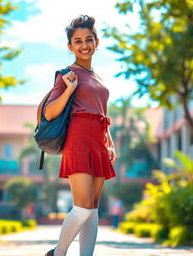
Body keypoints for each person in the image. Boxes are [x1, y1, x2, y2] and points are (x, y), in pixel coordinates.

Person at [43, 15, 117, 256]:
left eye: (88, 39)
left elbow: (102, 114)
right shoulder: (66, 74)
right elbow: (50, 112)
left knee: (93, 210)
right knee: (83, 207)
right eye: (78, 41)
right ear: (70, 46)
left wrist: (110, 142)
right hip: (79, 139)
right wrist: (69, 88)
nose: (84, 45)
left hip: (99, 142)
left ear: (97, 42)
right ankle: (58, 253)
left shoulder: (98, 77)